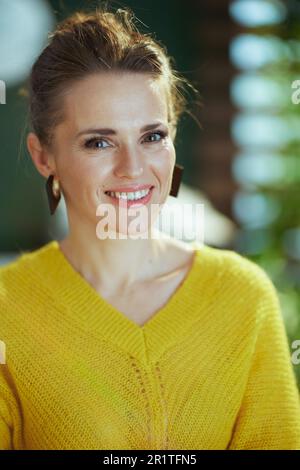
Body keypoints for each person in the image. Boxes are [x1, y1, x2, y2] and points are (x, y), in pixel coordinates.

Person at [1, 4, 300, 451]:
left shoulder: (242, 297)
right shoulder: (8, 309)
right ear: (44, 156)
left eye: (153, 136)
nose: (133, 168)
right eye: (99, 142)